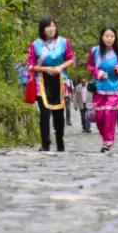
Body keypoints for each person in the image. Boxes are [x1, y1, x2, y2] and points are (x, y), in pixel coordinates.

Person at [25, 17, 75, 152]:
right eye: (47, 27)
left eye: (53, 26)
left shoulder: (64, 42)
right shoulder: (35, 45)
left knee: (59, 113)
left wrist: (60, 67)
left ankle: (60, 142)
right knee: (45, 113)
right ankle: (45, 143)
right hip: (41, 81)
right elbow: (29, 65)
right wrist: (45, 69)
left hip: (60, 80)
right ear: (42, 29)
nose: (51, 29)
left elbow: (71, 59)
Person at [88, 26, 118, 153]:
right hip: (99, 88)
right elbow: (90, 66)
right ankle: (104, 137)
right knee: (99, 117)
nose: (109, 39)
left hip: (114, 88)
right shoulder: (95, 51)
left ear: (115, 38)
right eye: (107, 36)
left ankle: (108, 141)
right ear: (102, 37)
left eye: (112, 36)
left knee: (109, 115)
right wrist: (99, 73)